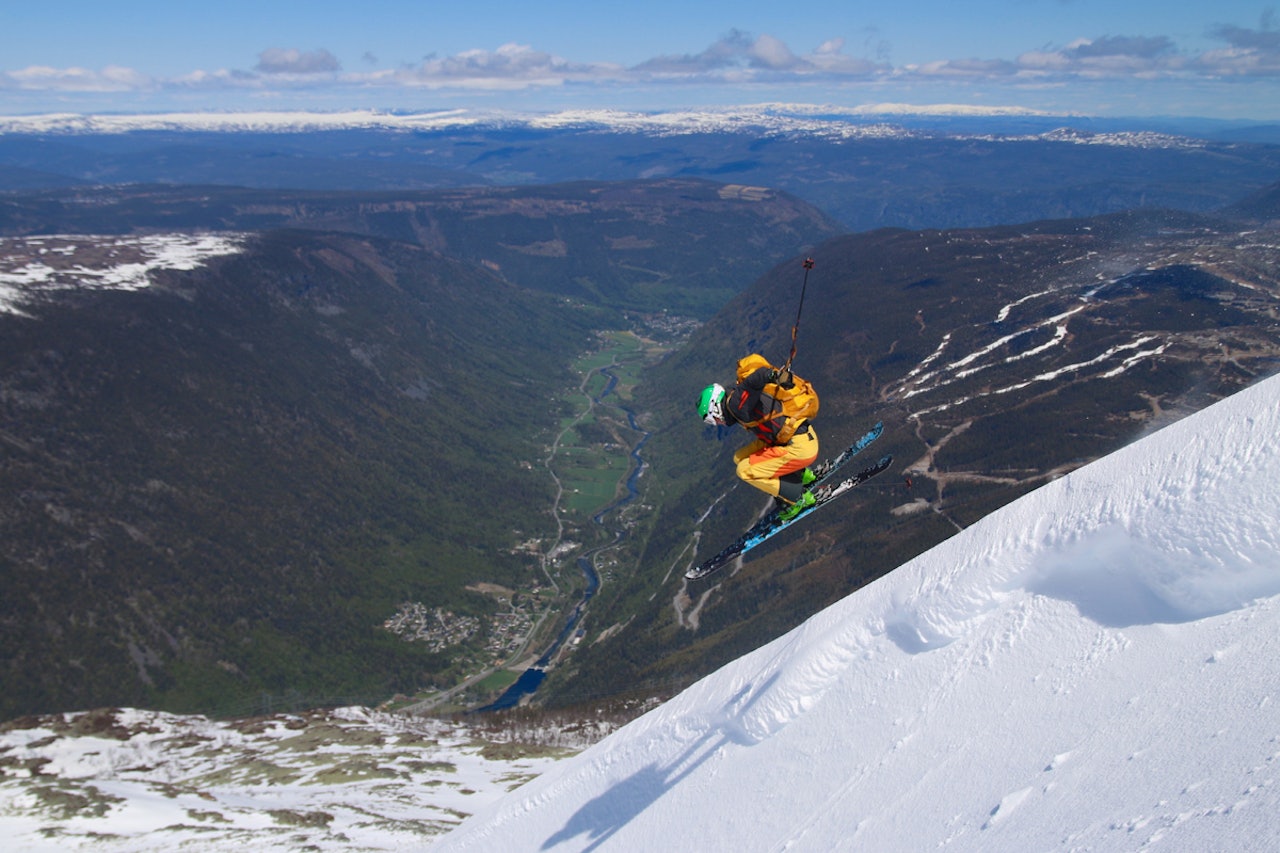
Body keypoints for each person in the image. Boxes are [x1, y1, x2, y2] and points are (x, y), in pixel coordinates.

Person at [698, 353, 820, 522]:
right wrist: (776, 376)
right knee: (739, 457)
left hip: (800, 449)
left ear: (716, 409)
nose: (719, 424)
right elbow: (752, 384)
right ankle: (800, 476)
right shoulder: (734, 398)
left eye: (714, 420)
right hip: (801, 438)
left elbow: (757, 378)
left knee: (744, 471)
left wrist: (774, 376)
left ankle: (797, 498)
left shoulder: (735, 405)